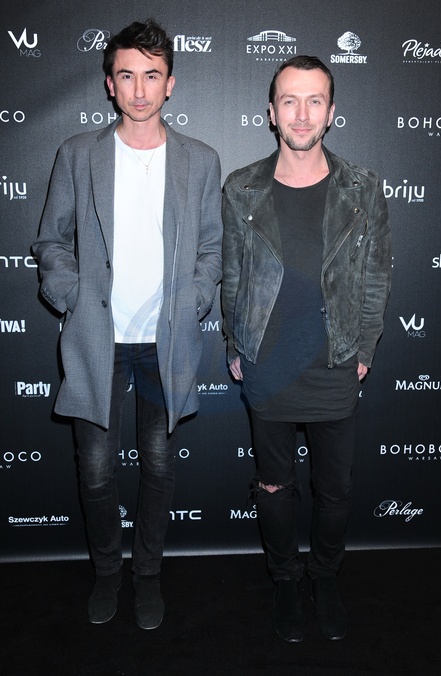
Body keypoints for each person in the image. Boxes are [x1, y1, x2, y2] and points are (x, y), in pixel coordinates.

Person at [33, 18, 222, 630]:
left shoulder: (200, 160)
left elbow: (211, 249)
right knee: (95, 470)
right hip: (98, 339)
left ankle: (147, 576)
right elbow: (51, 241)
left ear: (171, 83)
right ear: (109, 83)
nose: (140, 90)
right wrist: (73, 294)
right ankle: (107, 573)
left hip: (164, 343)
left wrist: (193, 299)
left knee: (159, 468)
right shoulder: (77, 154)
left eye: (152, 75)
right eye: (127, 76)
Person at [221, 55, 391, 643]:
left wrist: (364, 345)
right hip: (268, 366)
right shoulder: (241, 187)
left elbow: (374, 276)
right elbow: (232, 276)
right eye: (289, 101)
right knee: (274, 486)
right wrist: (234, 341)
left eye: (314, 100)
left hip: (335, 362)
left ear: (331, 112)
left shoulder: (363, 188)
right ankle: (286, 580)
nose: (301, 113)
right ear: (271, 113)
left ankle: (325, 576)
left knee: (334, 491)